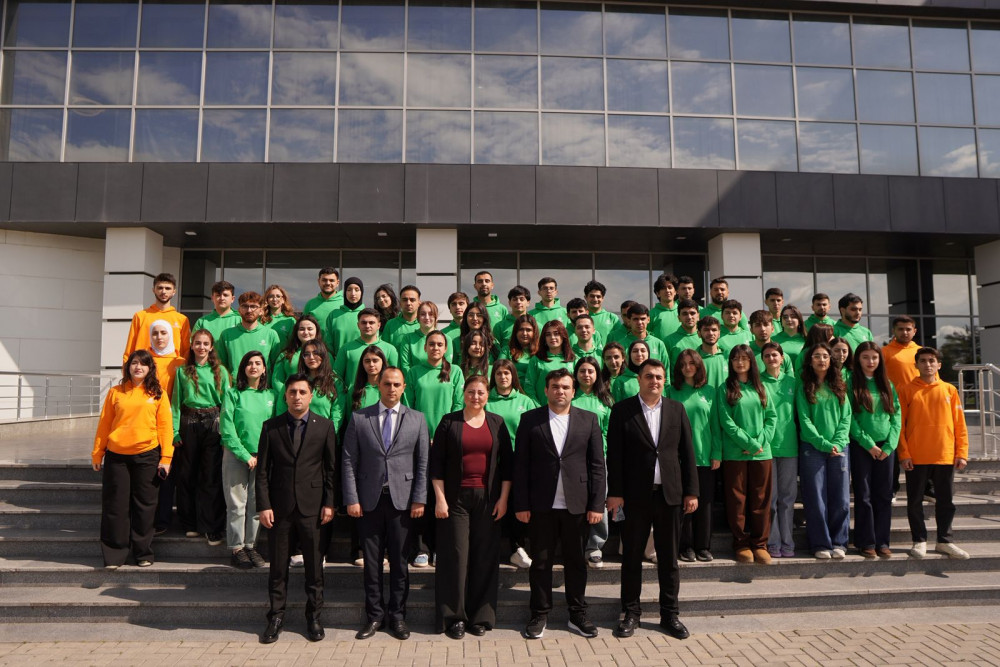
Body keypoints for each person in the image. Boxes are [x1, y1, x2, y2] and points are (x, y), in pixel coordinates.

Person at [607, 359, 698, 640]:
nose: (654, 381)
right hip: (634, 497)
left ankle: (670, 614)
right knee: (631, 557)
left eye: (658, 377)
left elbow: (688, 452)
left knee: (669, 559)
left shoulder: (676, 409)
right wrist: (615, 493)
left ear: (664, 380)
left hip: (669, 495)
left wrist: (691, 491)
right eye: (648, 376)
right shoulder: (622, 410)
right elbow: (615, 455)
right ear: (639, 379)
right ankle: (631, 613)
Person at [512, 368, 605, 640]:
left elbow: (597, 466)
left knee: (576, 563)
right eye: (555, 386)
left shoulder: (588, 419)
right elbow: (521, 465)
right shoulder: (530, 420)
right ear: (546, 390)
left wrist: (596, 505)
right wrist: (521, 503)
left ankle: (577, 614)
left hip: (578, 506)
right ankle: (539, 614)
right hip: (541, 506)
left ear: (573, 391)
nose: (560, 391)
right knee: (541, 563)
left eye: (565, 387)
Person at [342, 367, 429, 641]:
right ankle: (375, 616)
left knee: (400, 563)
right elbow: (348, 460)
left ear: (404, 387)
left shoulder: (417, 419)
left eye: (397, 384)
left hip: (403, 502)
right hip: (368, 501)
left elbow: (423, 462)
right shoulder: (360, 418)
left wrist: (419, 498)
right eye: (387, 384)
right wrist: (352, 498)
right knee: (372, 563)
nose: (392, 389)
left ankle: (398, 616)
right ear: (378, 385)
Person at [256, 374, 337, 644]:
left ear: (311, 395)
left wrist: (329, 503)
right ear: (286, 396)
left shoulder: (325, 426)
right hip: (279, 509)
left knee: (314, 568)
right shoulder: (271, 427)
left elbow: (330, 470)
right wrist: (264, 505)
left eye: (302, 392)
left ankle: (313, 617)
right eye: (292, 392)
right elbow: (263, 471)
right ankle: (276, 617)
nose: (297, 396)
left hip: (313, 508)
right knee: (278, 568)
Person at [431, 375, 513, 639]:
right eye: (470, 392)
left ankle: (480, 617)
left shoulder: (497, 423)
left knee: (484, 557)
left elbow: (507, 465)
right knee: (456, 556)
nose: (475, 397)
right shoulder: (449, 422)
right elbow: (436, 464)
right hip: (455, 499)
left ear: (487, 395)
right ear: (463, 393)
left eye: (480, 392)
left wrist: (503, 499)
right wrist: (440, 498)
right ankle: (454, 618)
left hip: (488, 499)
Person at [92, 350, 174, 569]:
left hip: (147, 455)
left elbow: (166, 428)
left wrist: (166, 457)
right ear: (128, 367)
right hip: (117, 457)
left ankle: (142, 553)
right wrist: (98, 452)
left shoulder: (158, 394)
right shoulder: (115, 392)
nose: (138, 367)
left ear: (150, 369)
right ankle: (114, 555)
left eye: (143, 364)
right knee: (115, 507)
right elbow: (105, 424)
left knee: (145, 506)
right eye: (134, 363)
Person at [898, 347, 970, 560]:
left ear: (939, 364)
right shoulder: (906, 390)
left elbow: (960, 424)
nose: (928, 364)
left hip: (944, 454)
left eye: (932, 360)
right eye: (923, 361)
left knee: (946, 501)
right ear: (916, 365)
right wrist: (904, 453)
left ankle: (944, 541)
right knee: (915, 501)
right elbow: (899, 426)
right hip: (916, 455)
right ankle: (919, 540)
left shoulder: (949, 390)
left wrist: (962, 452)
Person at [403, 331, 464, 568]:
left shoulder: (455, 371)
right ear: (425, 347)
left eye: (440, 344)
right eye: (431, 344)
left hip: (447, 440)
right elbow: (408, 405)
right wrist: (423, 435)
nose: (435, 348)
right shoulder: (414, 372)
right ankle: (421, 548)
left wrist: (443, 435)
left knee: (446, 496)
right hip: (419, 442)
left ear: (446, 348)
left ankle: (441, 547)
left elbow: (458, 404)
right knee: (422, 495)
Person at [717, 344, 777, 565]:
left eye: (744, 358)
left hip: (762, 453)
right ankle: (741, 544)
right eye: (735, 359)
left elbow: (771, 418)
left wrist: (759, 443)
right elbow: (726, 422)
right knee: (737, 500)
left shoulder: (761, 387)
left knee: (761, 500)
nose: (740, 362)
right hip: (736, 453)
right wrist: (749, 443)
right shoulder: (725, 388)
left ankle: (760, 544)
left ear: (752, 361)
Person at [170, 329, 231, 545]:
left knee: (210, 475)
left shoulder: (220, 371)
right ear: (192, 345)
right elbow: (176, 403)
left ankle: (211, 526)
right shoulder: (182, 371)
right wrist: (175, 431)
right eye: (198, 343)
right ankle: (189, 523)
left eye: (205, 343)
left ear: (211, 346)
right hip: (189, 422)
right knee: (187, 474)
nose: (201, 347)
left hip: (213, 423)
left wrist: (225, 433)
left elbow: (227, 404)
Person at [220, 350, 276, 569]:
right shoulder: (233, 393)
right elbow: (227, 428)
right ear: (243, 368)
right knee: (237, 504)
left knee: (256, 503)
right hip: (236, 455)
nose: (254, 367)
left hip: (262, 457)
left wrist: (264, 456)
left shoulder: (271, 395)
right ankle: (237, 548)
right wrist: (244, 455)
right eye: (249, 363)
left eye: (258, 363)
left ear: (264, 369)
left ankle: (251, 546)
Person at [797, 342, 852, 560]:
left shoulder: (839, 386)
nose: (821, 360)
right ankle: (820, 543)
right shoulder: (804, 387)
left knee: (841, 498)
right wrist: (824, 444)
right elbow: (804, 420)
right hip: (813, 448)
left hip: (840, 447)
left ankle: (839, 542)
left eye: (825, 356)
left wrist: (837, 443)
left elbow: (846, 417)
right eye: (817, 356)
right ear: (810, 361)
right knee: (816, 498)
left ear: (831, 360)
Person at [849, 342, 900, 559]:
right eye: (865, 357)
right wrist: (867, 444)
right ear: (858, 360)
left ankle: (882, 541)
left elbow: (896, 416)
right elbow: (849, 417)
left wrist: (889, 445)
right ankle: (866, 542)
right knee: (864, 495)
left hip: (886, 449)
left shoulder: (887, 384)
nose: (870, 362)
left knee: (884, 495)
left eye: (874, 357)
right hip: (862, 447)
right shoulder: (851, 383)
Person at [668, 350, 719, 563]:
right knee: (683, 504)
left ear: (699, 366)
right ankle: (685, 546)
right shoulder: (671, 391)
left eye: (692, 363)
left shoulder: (710, 391)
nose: (687, 367)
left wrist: (716, 452)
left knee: (705, 504)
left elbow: (715, 424)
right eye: (683, 364)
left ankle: (703, 546)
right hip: (678, 458)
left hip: (704, 455)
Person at [486, 360, 536, 570]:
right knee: (493, 505)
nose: (503, 377)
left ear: (513, 376)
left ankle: (518, 548)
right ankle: (489, 549)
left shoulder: (525, 401)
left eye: (507, 373)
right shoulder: (486, 400)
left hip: (519, 462)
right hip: (492, 464)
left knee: (517, 504)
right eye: (498, 373)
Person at [571, 356, 614, 568]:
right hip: (573, 458)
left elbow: (609, 430)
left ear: (597, 374)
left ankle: (595, 546)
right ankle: (575, 544)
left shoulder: (605, 400)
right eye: (582, 371)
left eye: (591, 371)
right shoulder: (570, 397)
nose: (586, 375)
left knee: (599, 500)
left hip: (599, 457)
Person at [760, 342, 798, 558]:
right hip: (767, 448)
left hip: (790, 446)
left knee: (787, 499)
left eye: (775, 355)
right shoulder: (758, 383)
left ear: (782, 358)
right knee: (771, 500)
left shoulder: (793, 382)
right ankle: (773, 541)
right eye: (767, 355)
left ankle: (788, 540)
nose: (771, 358)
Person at [883, 315, 923, 501]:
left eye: (908, 329)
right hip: (892, 407)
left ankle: (923, 488)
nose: (905, 332)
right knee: (893, 447)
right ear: (894, 331)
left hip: (917, 407)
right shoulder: (885, 352)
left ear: (914, 331)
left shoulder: (921, 352)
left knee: (916, 448)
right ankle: (891, 488)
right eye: (900, 329)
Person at [123, 272, 190, 363]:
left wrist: (183, 369)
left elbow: (186, 351)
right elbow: (129, 350)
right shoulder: (140, 316)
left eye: (168, 288)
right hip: (144, 368)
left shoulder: (182, 319)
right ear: (153, 290)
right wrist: (126, 370)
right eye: (160, 288)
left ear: (174, 291)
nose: (163, 292)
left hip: (171, 369)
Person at [278, 341, 345, 431]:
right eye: (307, 354)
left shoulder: (335, 382)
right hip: (295, 433)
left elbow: (338, 413)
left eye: (315, 353)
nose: (311, 357)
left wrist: (329, 433)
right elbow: (281, 409)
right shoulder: (293, 381)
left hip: (323, 433)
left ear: (323, 355)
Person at [333, 308, 400, 393]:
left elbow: (396, 378)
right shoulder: (346, 348)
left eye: (371, 322)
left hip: (382, 398)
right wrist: (343, 395)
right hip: (354, 398)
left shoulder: (390, 349)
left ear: (379, 325)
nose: (367, 326)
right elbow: (336, 376)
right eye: (364, 323)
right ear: (358, 325)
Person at [216, 292, 281, 375]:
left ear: (261, 311)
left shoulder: (271, 335)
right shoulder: (226, 335)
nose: (249, 310)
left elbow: (277, 368)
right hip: (235, 383)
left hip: (262, 383)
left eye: (253, 306)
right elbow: (221, 367)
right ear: (239, 310)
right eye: (245, 306)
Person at [523, 320, 575, 404]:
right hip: (541, 409)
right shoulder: (536, 360)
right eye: (548, 334)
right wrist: (537, 407)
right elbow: (529, 388)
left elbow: (578, 389)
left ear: (563, 336)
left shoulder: (573, 360)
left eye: (556, 333)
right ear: (544, 338)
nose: (552, 337)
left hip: (567, 409)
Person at [271, 315, 321, 396]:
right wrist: (288, 396)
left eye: (310, 329)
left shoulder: (325, 354)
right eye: (302, 329)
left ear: (316, 331)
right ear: (296, 332)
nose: (306, 332)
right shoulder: (285, 355)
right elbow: (277, 380)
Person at [323, 277, 366, 360]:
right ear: (344, 292)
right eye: (349, 290)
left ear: (362, 292)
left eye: (357, 290)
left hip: (363, 362)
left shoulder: (368, 316)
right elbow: (328, 343)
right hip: (338, 362)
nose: (353, 293)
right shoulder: (334, 315)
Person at [192, 280, 241, 345]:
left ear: (232, 299)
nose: (222, 298)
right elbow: (193, 345)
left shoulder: (241, 320)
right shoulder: (202, 322)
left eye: (225, 295)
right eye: (218, 295)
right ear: (212, 298)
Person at [399, 300, 440, 374]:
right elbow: (405, 366)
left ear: (436, 317)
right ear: (418, 317)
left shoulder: (446, 339)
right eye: (423, 314)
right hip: (414, 380)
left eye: (431, 314)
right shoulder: (408, 338)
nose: (427, 317)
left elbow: (447, 366)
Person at [148, 319, 185, 400]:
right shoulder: (144, 360)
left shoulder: (181, 362)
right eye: (155, 333)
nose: (159, 337)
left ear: (170, 335)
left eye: (163, 333)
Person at [748, 310, 793, 375]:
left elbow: (790, 380)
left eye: (766, 324)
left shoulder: (783, 356)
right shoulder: (746, 355)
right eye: (758, 325)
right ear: (751, 330)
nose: (763, 329)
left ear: (772, 328)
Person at [499, 314, 538, 383]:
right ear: (515, 332)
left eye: (528, 330)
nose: (524, 333)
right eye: (521, 329)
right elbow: (499, 370)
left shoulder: (540, 351)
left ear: (534, 332)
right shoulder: (507, 350)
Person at [302, 267, 343, 332]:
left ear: (337, 283)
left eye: (331, 280)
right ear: (319, 281)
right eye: (324, 280)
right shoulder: (310, 304)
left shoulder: (344, 303)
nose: (328, 283)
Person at [383, 285, 422, 350]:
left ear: (419, 303)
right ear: (400, 303)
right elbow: (384, 350)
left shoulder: (425, 324)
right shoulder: (390, 324)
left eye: (412, 300)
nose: (408, 303)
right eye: (405, 300)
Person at [261, 285, 296, 349]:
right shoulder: (260, 319)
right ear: (267, 300)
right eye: (271, 296)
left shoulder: (290, 320)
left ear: (283, 300)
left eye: (278, 296)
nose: (274, 299)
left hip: (283, 355)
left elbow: (293, 344)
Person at [696, 316, 726, 388]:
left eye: (714, 330)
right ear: (699, 333)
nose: (711, 333)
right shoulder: (694, 359)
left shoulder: (728, 356)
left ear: (719, 334)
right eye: (706, 330)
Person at [650, 274, 681, 342]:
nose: (667, 290)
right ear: (658, 293)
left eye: (670, 287)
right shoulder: (651, 314)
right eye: (663, 288)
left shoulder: (683, 312)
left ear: (675, 291)